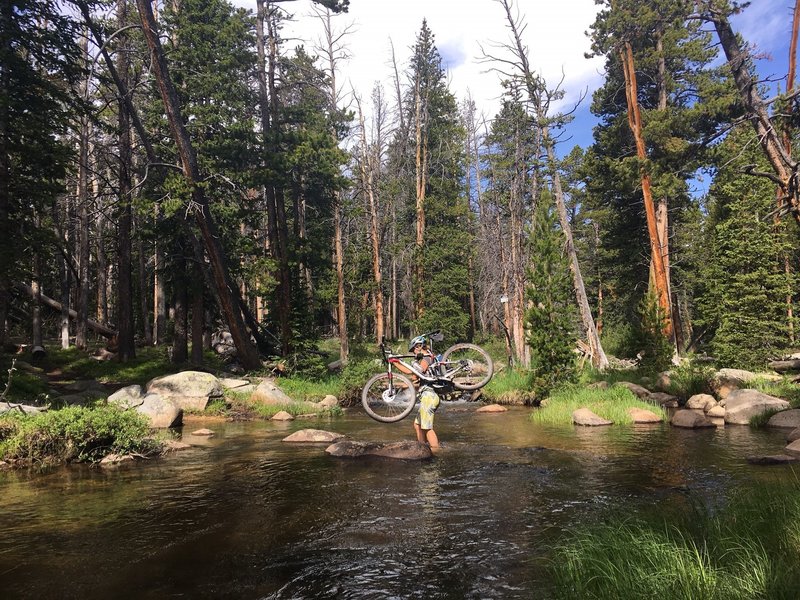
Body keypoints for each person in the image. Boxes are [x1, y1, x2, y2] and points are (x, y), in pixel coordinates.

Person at [407, 336, 441, 448]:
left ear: (419, 346)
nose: (413, 352)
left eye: (414, 349)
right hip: (427, 396)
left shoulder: (427, 357)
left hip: (429, 396)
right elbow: (414, 376)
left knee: (427, 427)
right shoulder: (424, 358)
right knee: (417, 425)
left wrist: (397, 363)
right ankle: (422, 447)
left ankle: (436, 450)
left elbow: (418, 371)